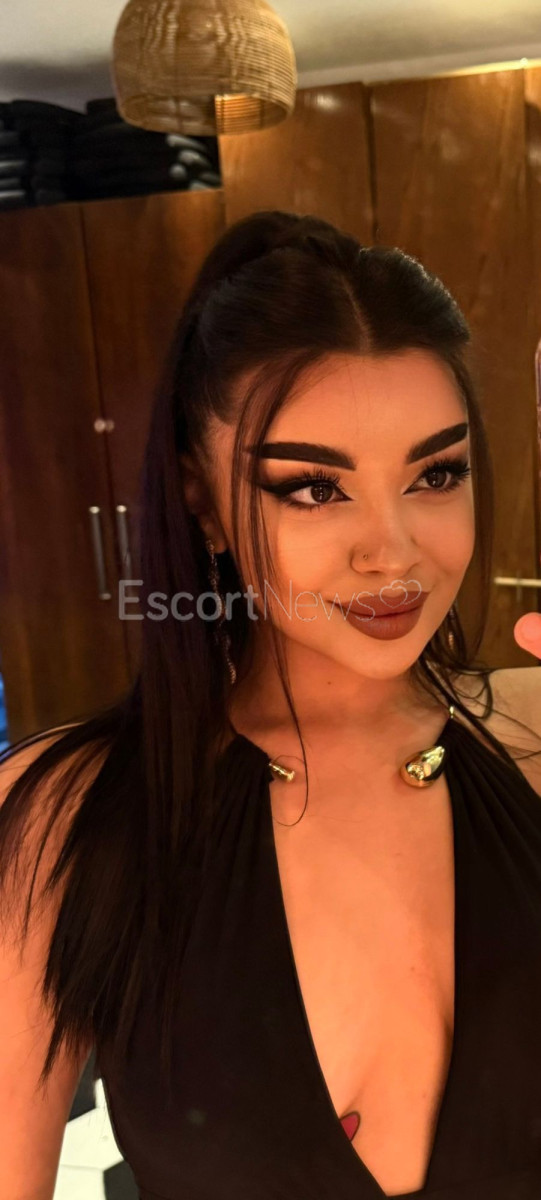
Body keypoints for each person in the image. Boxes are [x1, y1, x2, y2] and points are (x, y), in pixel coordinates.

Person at [0, 210, 541, 1200]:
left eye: (436, 474)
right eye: (313, 489)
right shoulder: (67, 814)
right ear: (200, 501)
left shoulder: (529, 737)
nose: (391, 550)